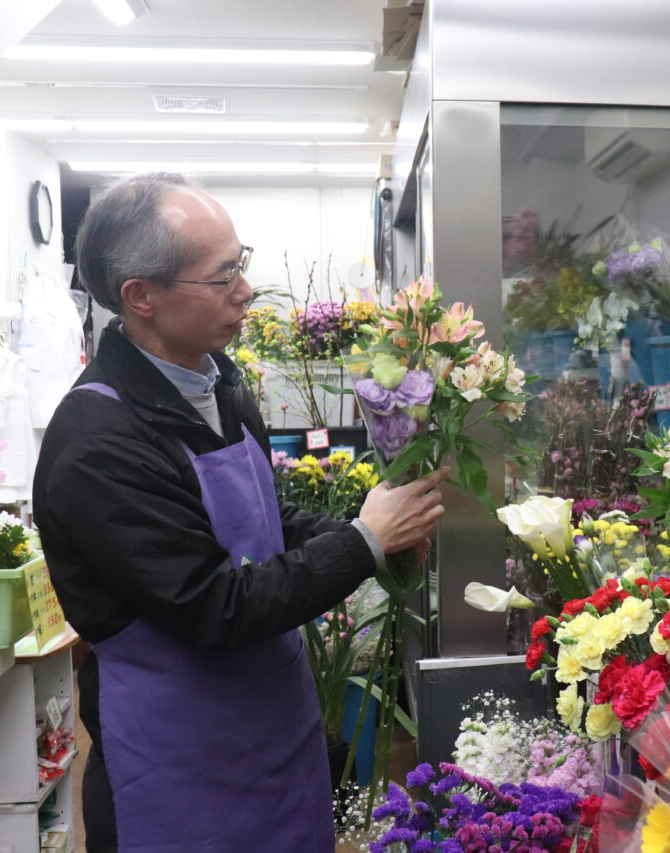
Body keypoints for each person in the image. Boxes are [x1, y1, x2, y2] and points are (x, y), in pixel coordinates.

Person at [32, 172, 447, 852]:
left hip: (275, 733)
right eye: (221, 275)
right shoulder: (99, 443)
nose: (245, 290)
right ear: (141, 297)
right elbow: (214, 606)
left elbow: (264, 518)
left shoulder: (219, 381)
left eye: (241, 263)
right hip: (179, 772)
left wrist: (374, 535)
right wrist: (363, 542)